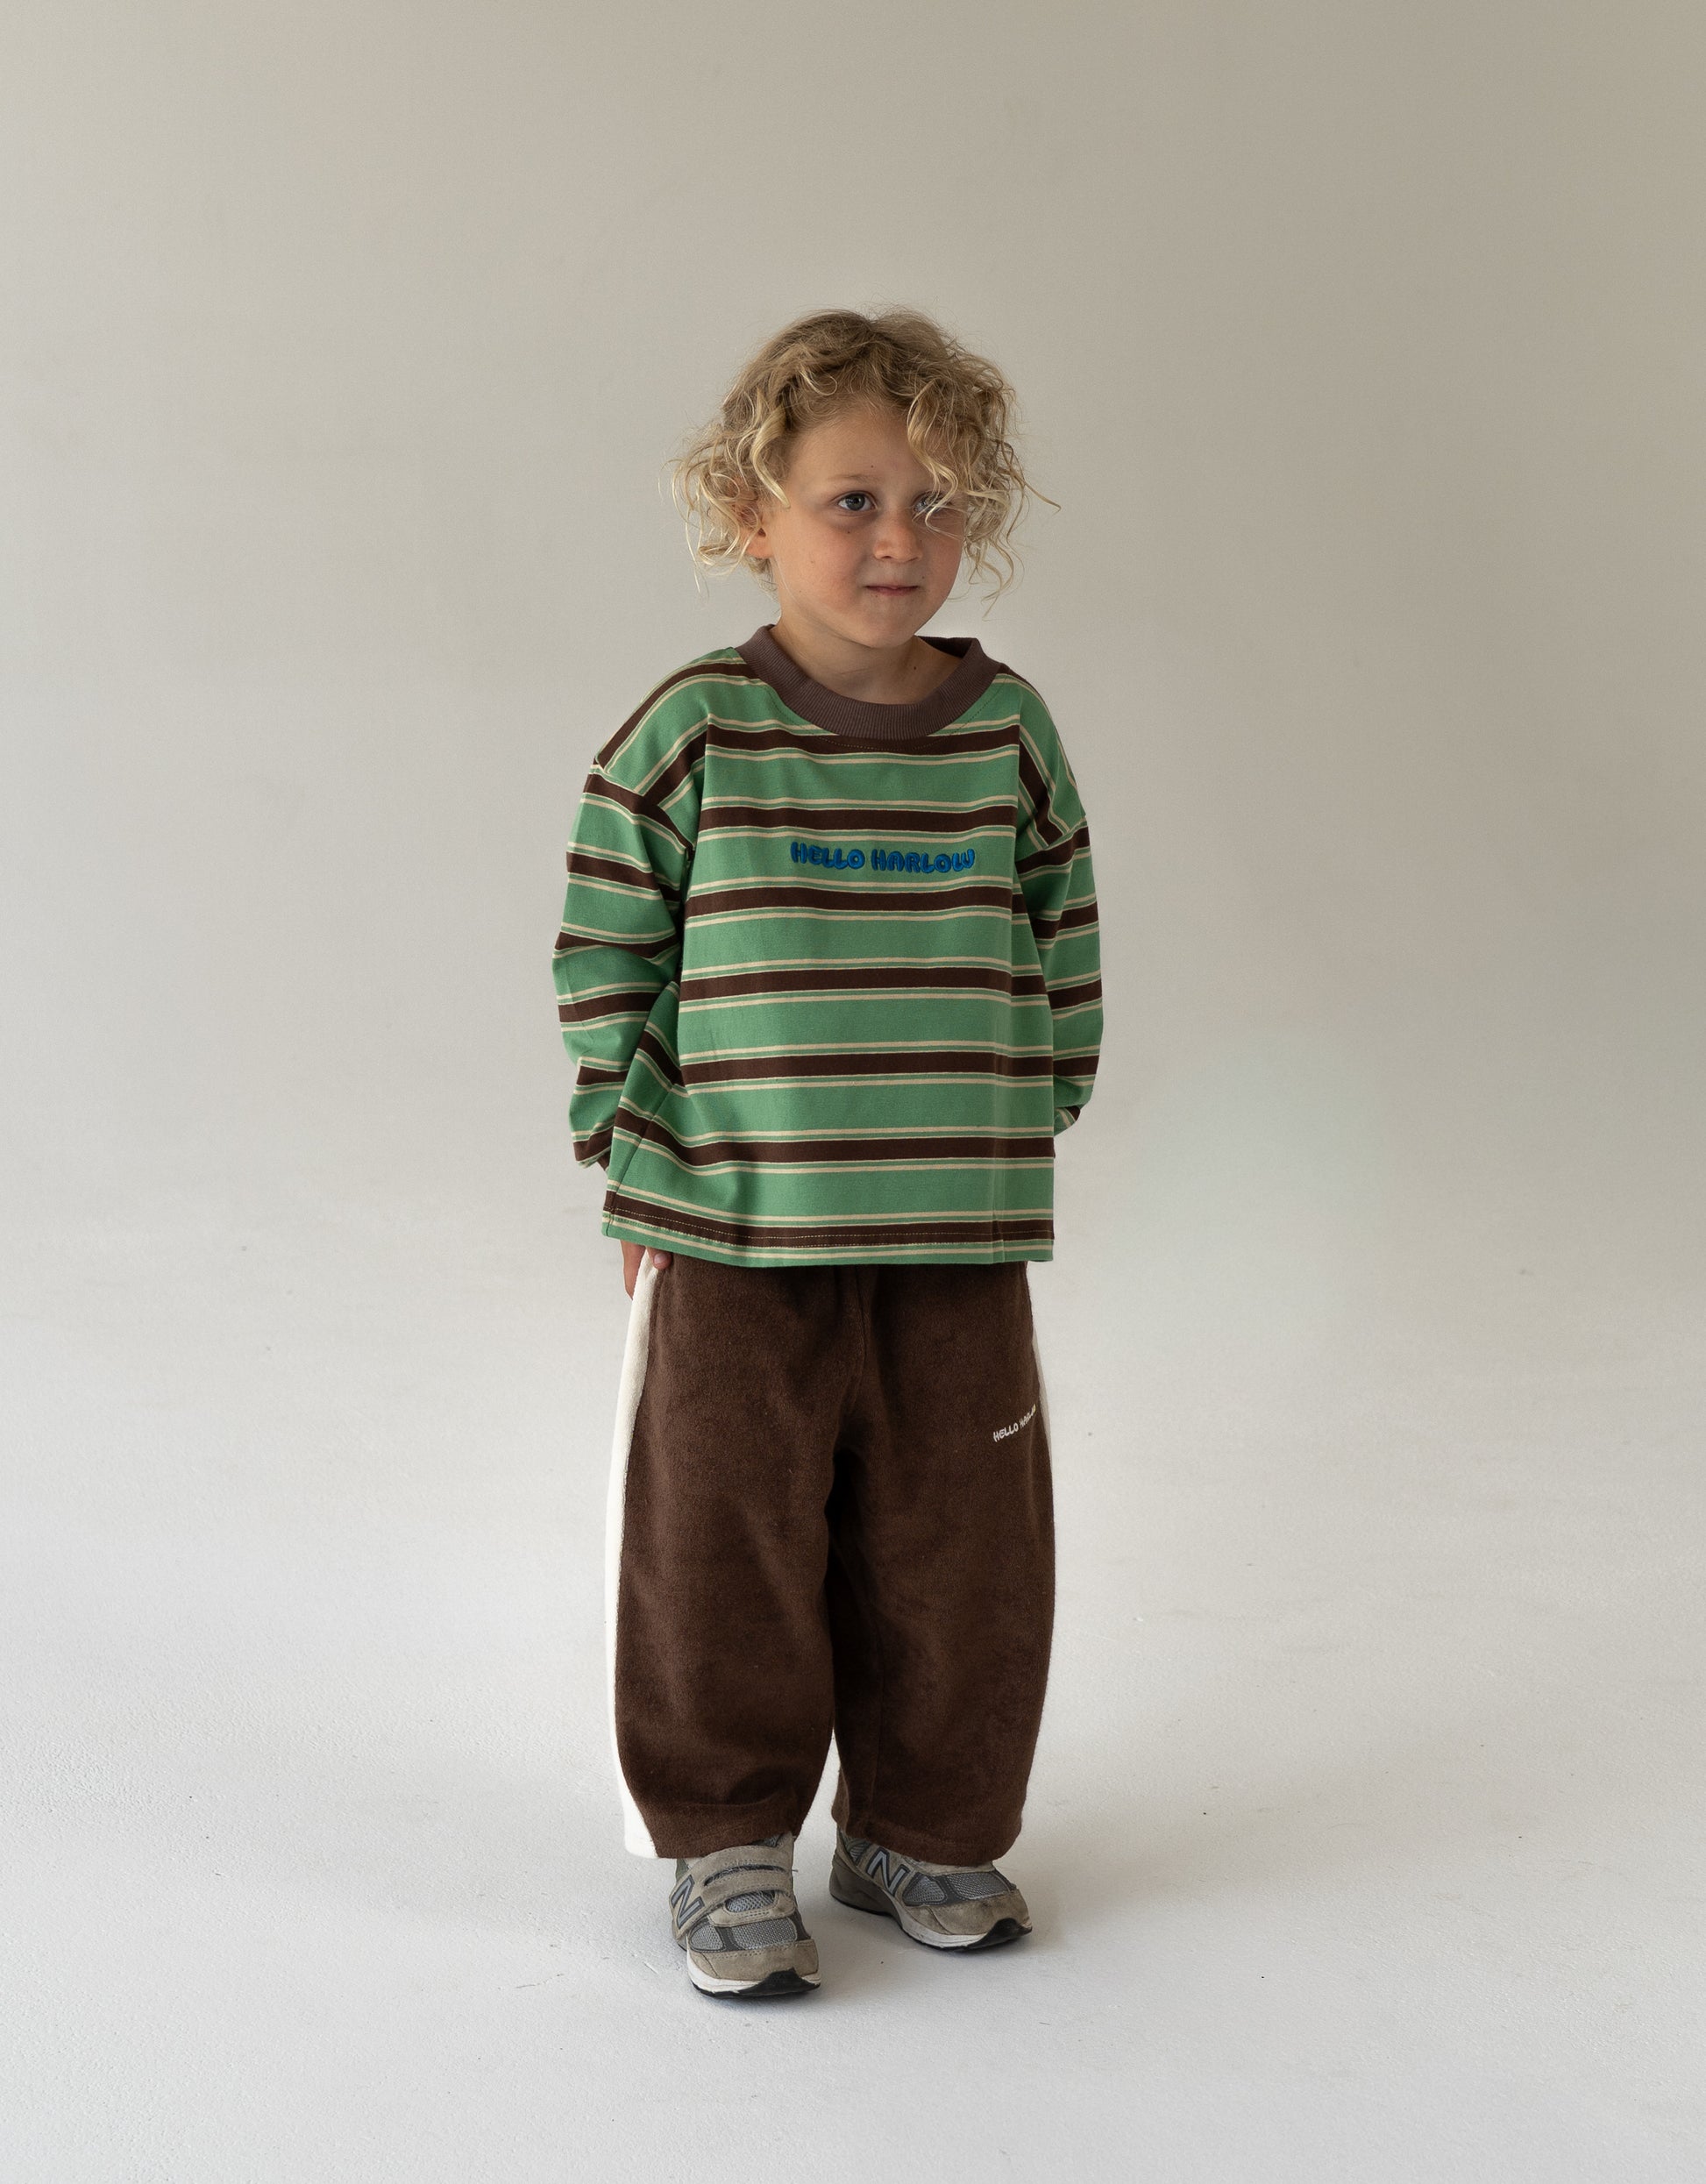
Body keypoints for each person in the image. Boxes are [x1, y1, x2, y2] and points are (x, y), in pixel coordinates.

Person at [551, 309, 1102, 2000]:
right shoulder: (695, 731)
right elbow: (605, 960)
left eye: (938, 505)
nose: (899, 539)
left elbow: (1061, 938)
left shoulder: (1008, 735)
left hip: (955, 1233)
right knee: (721, 1541)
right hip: (732, 1231)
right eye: (854, 500)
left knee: (965, 1548)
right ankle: (726, 1839)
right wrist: (629, 1153)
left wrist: (1024, 1115)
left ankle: (920, 1828)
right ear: (753, 513)